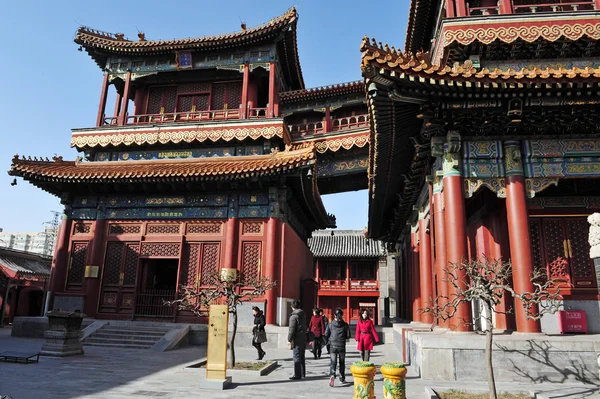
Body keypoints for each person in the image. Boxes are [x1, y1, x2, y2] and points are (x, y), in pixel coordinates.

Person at [325, 308, 350, 387]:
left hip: (333, 345)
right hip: (341, 346)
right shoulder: (345, 325)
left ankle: (332, 375)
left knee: (333, 362)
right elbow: (348, 335)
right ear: (342, 315)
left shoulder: (330, 324)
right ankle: (341, 378)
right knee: (341, 362)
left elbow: (326, 334)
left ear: (334, 315)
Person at [287, 299, 307, 379]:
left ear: (292, 307)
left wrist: (289, 339)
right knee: (302, 356)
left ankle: (297, 374)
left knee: (296, 356)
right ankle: (302, 373)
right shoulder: (303, 314)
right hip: (303, 337)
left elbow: (291, 329)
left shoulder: (293, 316)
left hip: (297, 338)